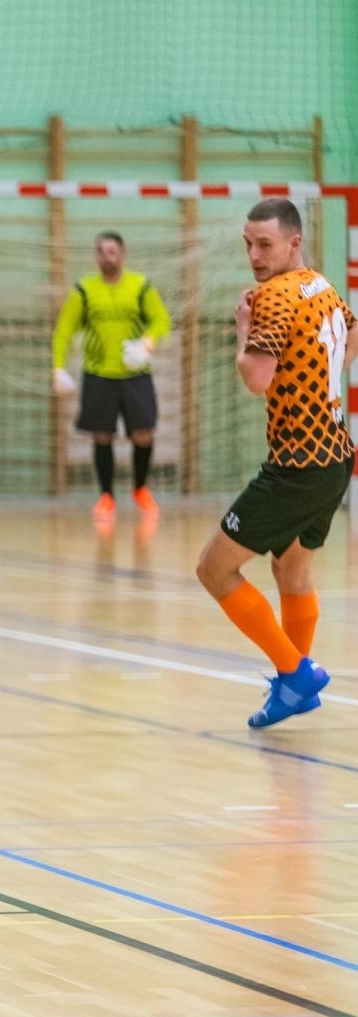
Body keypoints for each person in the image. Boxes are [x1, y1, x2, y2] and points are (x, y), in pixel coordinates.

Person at [194, 197, 356, 729]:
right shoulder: (322, 284)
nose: (255, 256)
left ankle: (295, 672)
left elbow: (255, 379)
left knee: (214, 569)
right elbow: (351, 336)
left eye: (264, 245)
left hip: (297, 465)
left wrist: (244, 327)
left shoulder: (272, 299)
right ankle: (293, 689)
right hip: (336, 455)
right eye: (248, 245)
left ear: (293, 242)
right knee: (292, 566)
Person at [51, 232, 171, 518]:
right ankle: (106, 496)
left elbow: (161, 320)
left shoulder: (140, 286)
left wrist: (148, 343)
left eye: (113, 251)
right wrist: (57, 367)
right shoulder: (84, 289)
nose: (108, 256)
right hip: (98, 374)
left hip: (135, 374)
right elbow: (64, 331)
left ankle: (140, 488)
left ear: (123, 253)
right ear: (97, 256)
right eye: (102, 252)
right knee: (102, 436)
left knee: (143, 434)